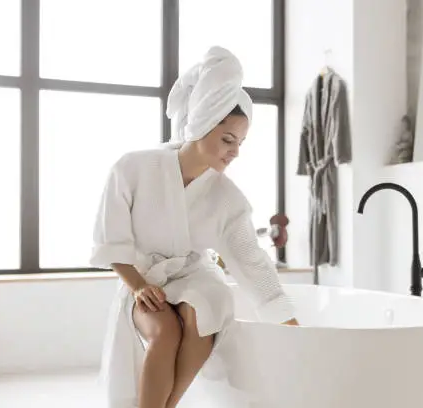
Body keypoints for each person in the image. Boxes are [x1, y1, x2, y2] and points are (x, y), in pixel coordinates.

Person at [90, 46, 298, 408]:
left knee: (208, 304)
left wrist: (289, 322)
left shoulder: (226, 197)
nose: (234, 152)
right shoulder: (133, 169)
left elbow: (251, 260)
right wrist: (139, 287)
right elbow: (113, 241)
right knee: (166, 331)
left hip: (192, 275)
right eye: (227, 140)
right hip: (144, 279)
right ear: (202, 123)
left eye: (240, 144)